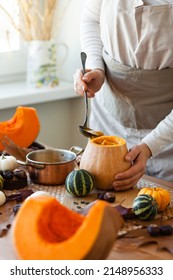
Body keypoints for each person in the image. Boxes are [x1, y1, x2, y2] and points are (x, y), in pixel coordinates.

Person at [74, 0, 173, 191]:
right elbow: (91, 19)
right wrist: (96, 67)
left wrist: (150, 146)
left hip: (168, 138)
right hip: (109, 117)